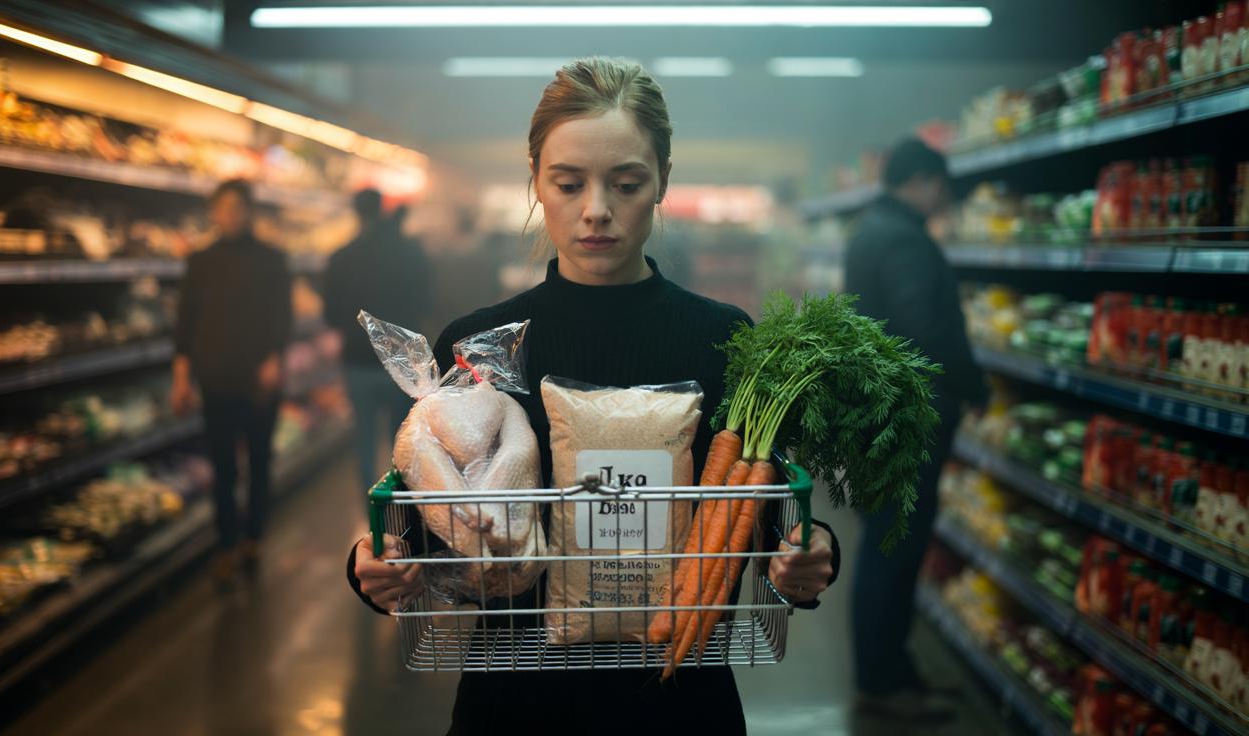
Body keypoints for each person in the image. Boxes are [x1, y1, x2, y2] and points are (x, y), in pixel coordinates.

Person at [347, 58, 841, 735]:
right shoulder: (475, 347)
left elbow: (758, 517)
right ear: (536, 182)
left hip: (679, 697)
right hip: (514, 704)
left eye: (627, 182)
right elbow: (419, 527)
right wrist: (376, 562)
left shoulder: (724, 338)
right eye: (569, 183)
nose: (597, 210)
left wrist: (805, 553)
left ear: (664, 180)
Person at [843, 138, 988, 722]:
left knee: (889, 549)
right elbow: (924, 329)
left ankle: (896, 672)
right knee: (892, 551)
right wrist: (974, 384)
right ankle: (883, 682)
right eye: (941, 189)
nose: (942, 201)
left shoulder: (872, 229)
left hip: (883, 414)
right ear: (923, 181)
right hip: (906, 416)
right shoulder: (903, 238)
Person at [171, 179, 293, 584]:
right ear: (214, 212)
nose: (231, 215)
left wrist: (275, 358)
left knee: (259, 461)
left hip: (259, 379)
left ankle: (253, 538)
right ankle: (226, 544)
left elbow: (281, 316)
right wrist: (182, 377)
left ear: (249, 212)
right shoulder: (200, 261)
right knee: (223, 467)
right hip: (216, 377)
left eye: (238, 208)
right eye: (223, 208)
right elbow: (185, 323)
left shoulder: (272, 260)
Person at [322, 190, 432, 492]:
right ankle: (404, 505)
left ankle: (374, 512)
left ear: (355, 213)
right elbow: (426, 303)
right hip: (402, 363)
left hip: (357, 361)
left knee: (365, 440)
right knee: (404, 439)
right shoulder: (410, 254)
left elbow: (330, 316)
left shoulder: (341, 258)